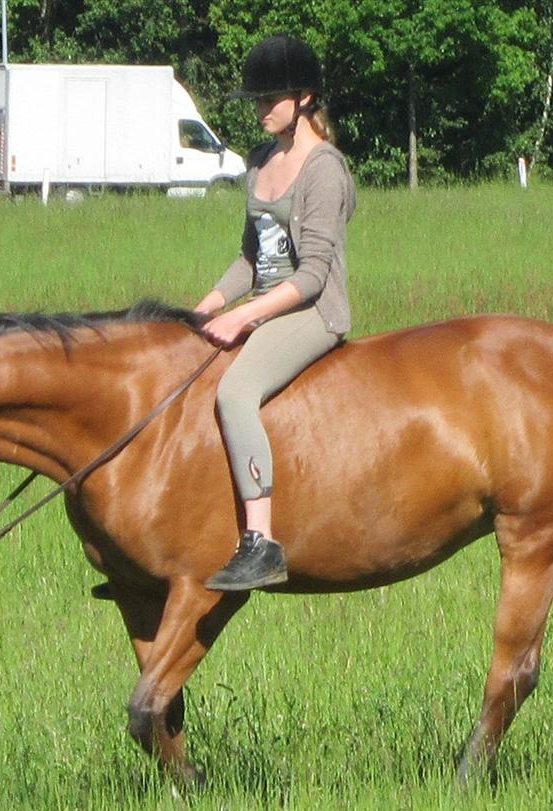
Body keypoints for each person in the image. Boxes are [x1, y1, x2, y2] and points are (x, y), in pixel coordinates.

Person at [194, 34, 357, 592]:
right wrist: (209, 306)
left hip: (312, 311)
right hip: (266, 307)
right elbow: (250, 257)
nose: (261, 109)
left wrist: (244, 318)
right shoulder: (260, 162)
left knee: (234, 393)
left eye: (271, 99)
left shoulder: (324, 169)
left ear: (306, 98)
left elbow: (311, 276)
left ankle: (262, 544)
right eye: (257, 100)